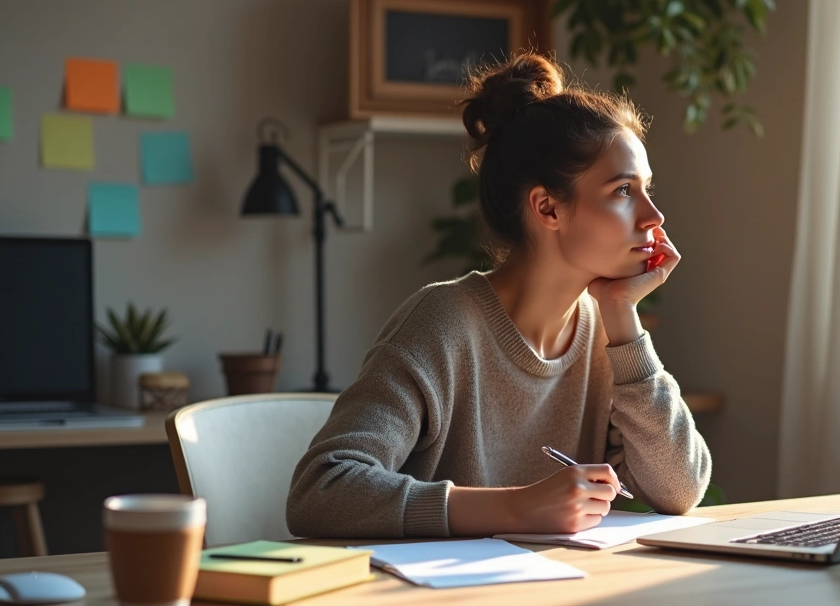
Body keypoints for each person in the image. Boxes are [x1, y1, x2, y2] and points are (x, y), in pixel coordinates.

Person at [286, 52, 712, 539]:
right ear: (548, 208)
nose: (653, 216)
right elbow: (320, 490)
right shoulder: (443, 323)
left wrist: (622, 316)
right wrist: (515, 508)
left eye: (647, 189)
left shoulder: (608, 336)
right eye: (622, 191)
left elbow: (679, 489)